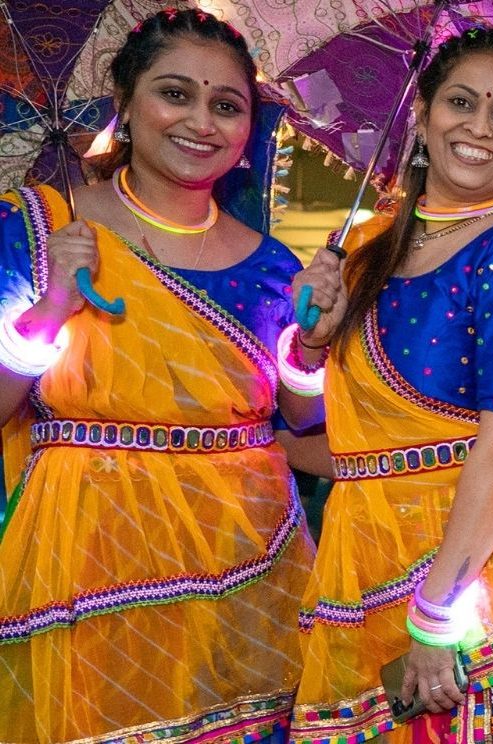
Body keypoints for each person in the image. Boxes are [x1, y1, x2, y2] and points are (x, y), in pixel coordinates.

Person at [0, 9, 316, 741]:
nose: (200, 120)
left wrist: (312, 344)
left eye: (226, 105)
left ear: (246, 135)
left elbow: (302, 423)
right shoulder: (45, 229)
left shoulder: (275, 269)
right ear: (127, 103)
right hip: (87, 563)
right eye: (175, 93)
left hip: (243, 566)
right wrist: (51, 307)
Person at [279, 28, 493, 742]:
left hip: (484, 580)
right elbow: (311, 427)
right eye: (460, 101)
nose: (478, 127)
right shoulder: (364, 251)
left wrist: (434, 611)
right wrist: (311, 340)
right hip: (362, 560)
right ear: (422, 115)